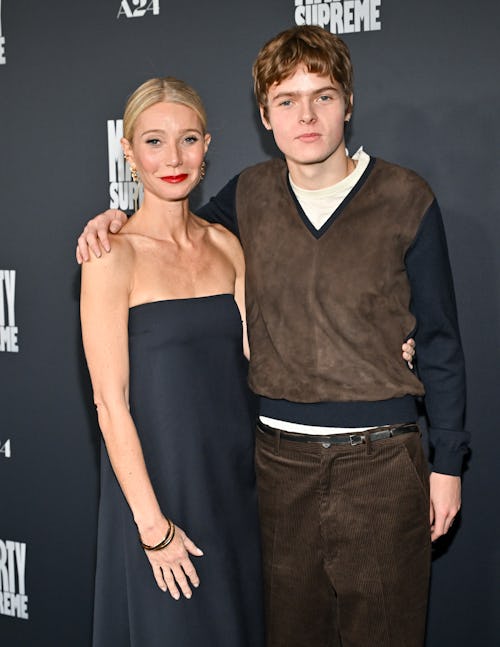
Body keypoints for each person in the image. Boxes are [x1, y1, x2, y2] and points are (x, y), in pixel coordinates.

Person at [75, 26, 465, 647]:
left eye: (322, 96)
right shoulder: (247, 199)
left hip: (371, 464)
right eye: (286, 100)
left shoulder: (400, 197)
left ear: (348, 103)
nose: (305, 116)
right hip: (272, 470)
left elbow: (436, 337)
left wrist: (444, 459)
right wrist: (112, 218)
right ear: (264, 115)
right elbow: (168, 231)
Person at [80, 77, 265, 647]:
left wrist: (377, 341)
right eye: (154, 141)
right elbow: (109, 403)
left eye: (188, 139)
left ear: (206, 146)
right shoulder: (111, 256)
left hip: (235, 488)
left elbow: (266, 357)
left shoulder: (227, 246)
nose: (174, 158)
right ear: (129, 152)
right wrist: (153, 529)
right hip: (158, 494)